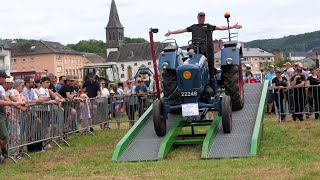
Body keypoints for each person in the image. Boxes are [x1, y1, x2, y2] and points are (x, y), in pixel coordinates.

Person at [165, 12, 242, 55]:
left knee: (208, 56)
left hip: (206, 46)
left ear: (204, 18)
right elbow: (182, 30)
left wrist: (232, 26)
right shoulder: (193, 27)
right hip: (195, 46)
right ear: (197, 18)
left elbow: (221, 27)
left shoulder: (208, 26)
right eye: (200, 17)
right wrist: (171, 32)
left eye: (203, 17)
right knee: (190, 52)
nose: (202, 18)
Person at [0, 71, 25, 163]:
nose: (12, 86)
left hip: (4, 114)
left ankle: (3, 151)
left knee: (6, 136)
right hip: (4, 115)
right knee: (6, 135)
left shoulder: (5, 90)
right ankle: (3, 152)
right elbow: (4, 100)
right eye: (10, 84)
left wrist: (21, 104)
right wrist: (13, 103)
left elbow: (12, 99)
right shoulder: (1, 88)